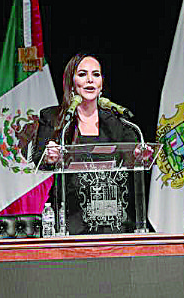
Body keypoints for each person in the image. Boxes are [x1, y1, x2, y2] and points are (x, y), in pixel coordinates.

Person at [32, 53, 142, 234]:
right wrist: (51, 157)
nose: (90, 80)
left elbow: (133, 155)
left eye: (96, 74)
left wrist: (139, 154)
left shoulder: (116, 120)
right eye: (82, 74)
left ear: (101, 83)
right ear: (71, 82)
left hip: (113, 215)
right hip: (70, 215)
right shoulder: (54, 118)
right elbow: (39, 158)